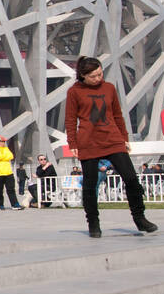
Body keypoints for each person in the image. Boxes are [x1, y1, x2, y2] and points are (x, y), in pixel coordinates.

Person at [65, 56, 157, 238]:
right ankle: (93, 223)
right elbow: (70, 119)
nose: (99, 78)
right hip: (88, 142)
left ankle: (140, 218)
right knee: (90, 185)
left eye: (100, 73)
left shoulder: (109, 88)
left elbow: (117, 115)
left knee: (131, 179)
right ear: (83, 76)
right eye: (94, 76)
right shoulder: (74, 92)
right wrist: (73, 143)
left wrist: (124, 138)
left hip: (113, 139)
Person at [0, 135, 23, 210]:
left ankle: (15, 204)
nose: (4, 143)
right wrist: (4, 156)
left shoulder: (6, 148)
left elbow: (11, 156)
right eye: (3, 141)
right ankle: (0, 205)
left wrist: (3, 156)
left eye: (4, 141)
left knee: (11, 189)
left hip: (8, 172)